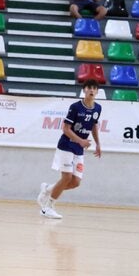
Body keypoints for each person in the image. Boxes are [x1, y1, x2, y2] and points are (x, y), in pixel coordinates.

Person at [38, 80, 102, 220]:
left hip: (79, 148)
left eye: (94, 88)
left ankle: (48, 189)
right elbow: (65, 129)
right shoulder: (75, 107)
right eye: (89, 88)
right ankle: (47, 207)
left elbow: (94, 126)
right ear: (84, 90)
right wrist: (80, 140)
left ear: (97, 91)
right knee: (66, 177)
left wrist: (98, 144)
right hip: (67, 145)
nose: (91, 90)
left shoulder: (98, 108)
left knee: (75, 182)